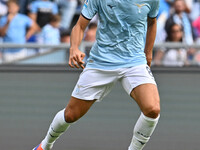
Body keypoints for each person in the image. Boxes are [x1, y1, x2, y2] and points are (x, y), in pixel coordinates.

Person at [33, 0, 160, 150]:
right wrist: (74, 48)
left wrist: (148, 52)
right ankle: (45, 145)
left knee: (152, 109)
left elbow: (152, 22)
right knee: (71, 115)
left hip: (135, 62)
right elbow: (80, 26)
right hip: (101, 62)